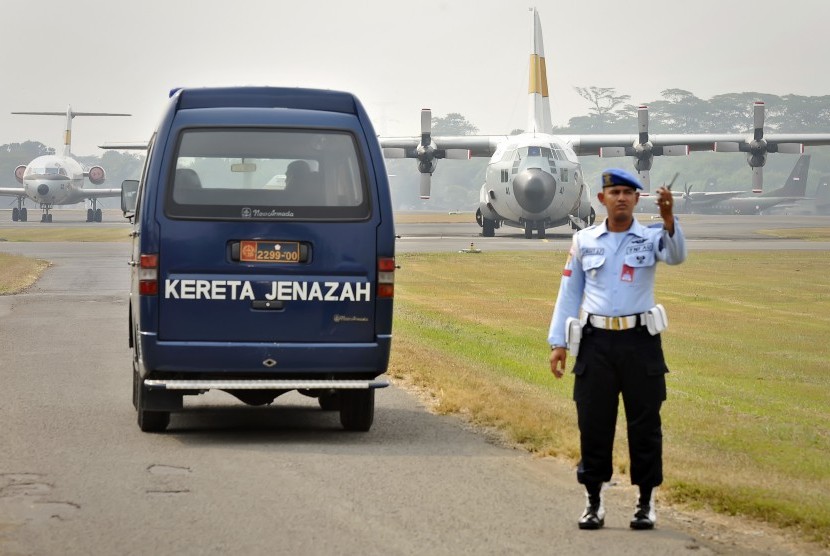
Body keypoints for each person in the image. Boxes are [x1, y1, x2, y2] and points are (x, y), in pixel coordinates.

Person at [547, 168, 686, 531]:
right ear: (601, 199)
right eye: (615, 192)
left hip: (640, 343)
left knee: (645, 425)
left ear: (638, 199)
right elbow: (569, 293)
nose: (621, 197)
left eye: (628, 192)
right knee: (593, 423)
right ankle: (594, 502)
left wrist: (670, 220)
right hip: (596, 343)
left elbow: (675, 256)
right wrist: (558, 343)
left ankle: (645, 503)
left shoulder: (652, 236)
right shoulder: (585, 241)